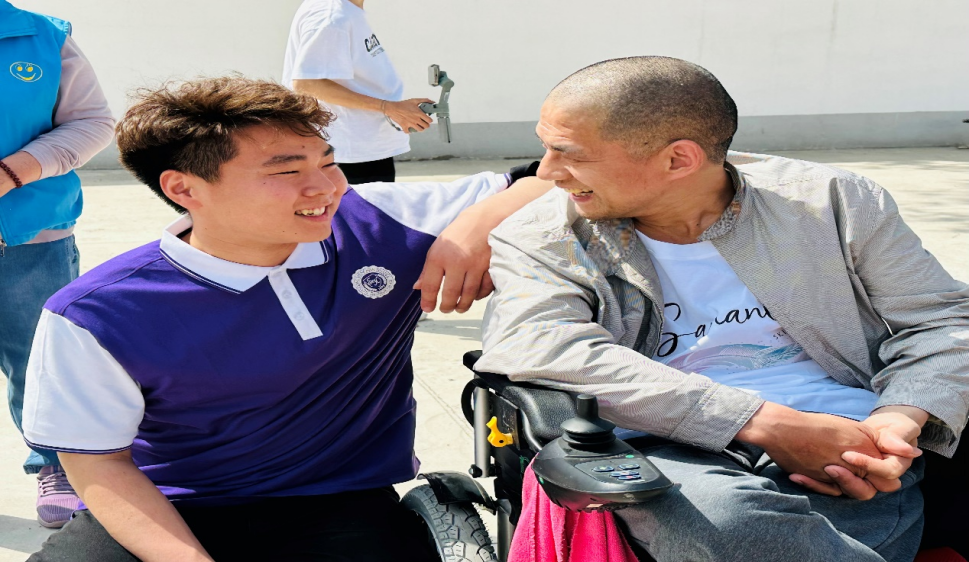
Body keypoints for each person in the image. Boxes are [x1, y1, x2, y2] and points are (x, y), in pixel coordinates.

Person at [22, 76, 550, 561]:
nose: (326, 187)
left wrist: (473, 229)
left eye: (328, 161)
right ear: (184, 189)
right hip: (167, 506)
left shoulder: (381, 219)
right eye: (286, 171)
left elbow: (552, 177)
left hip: (341, 502)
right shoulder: (95, 312)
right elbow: (99, 463)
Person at [476, 56, 969, 562]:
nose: (546, 172)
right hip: (666, 445)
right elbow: (541, 345)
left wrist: (899, 418)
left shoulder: (831, 201)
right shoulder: (543, 236)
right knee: (726, 522)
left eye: (567, 153)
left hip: (851, 436)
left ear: (678, 159)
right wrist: (763, 423)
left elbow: (940, 318)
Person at [0, 0, 115, 529]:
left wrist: (12, 173)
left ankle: (57, 465)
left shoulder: (44, 37)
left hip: (31, 237)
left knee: (41, 359)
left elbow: (91, 122)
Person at [282, 0, 431, 184]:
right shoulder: (331, 16)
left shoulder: (347, 10)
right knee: (359, 204)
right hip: (348, 153)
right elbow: (308, 83)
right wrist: (389, 107)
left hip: (361, 147)